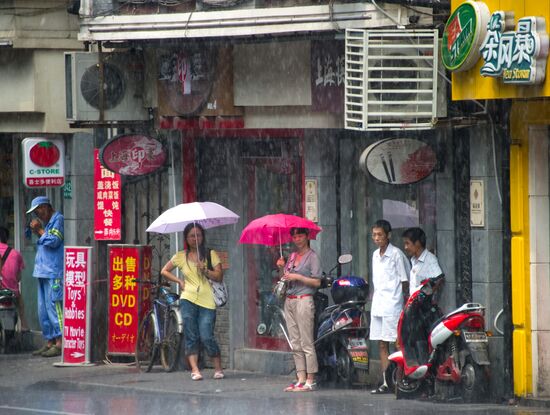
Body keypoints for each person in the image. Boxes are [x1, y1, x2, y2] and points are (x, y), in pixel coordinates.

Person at [161, 223, 224, 381]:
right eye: (192, 236)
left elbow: (219, 276)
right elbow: (164, 271)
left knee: (206, 335)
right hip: (188, 299)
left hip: (208, 300)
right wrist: (179, 282)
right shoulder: (180, 256)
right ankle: (195, 369)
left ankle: (217, 367)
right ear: (186, 238)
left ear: (202, 237)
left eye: (198, 235)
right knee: (191, 334)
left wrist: (206, 270)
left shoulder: (210, 254)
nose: (195, 238)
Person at [276, 227, 322, 392]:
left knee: (306, 342)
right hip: (290, 300)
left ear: (307, 237)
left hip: (304, 300)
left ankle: (311, 378)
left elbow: (317, 282)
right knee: (295, 342)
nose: (297, 239)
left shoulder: (312, 257)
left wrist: (299, 277)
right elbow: (285, 278)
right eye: (294, 236)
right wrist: (282, 268)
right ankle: (300, 377)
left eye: (300, 236)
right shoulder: (292, 256)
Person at [370, 219, 410, 394]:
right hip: (378, 304)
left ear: (388, 235)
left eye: (380, 235)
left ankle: (400, 379)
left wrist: (402, 302)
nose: (376, 238)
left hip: (393, 305)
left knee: (396, 343)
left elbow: (405, 281)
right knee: (381, 343)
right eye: (374, 235)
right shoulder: (374, 255)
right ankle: (387, 382)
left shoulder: (397, 255)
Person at [27, 196, 64, 357]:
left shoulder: (58, 219)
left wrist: (40, 231)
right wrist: (38, 231)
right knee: (43, 310)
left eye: (38, 211)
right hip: (42, 270)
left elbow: (54, 241)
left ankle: (61, 342)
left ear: (45, 207)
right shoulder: (48, 223)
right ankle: (49, 341)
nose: (37, 215)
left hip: (53, 271)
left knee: (54, 306)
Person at [0, 226, 29, 332]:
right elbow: (18, 277)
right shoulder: (16, 254)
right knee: (20, 304)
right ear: (6, 239)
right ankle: (24, 326)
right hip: (12, 293)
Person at [402, 227, 444, 295]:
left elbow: (439, 278)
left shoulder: (430, 259)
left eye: (407, 243)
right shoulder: (413, 260)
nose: (405, 247)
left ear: (417, 243)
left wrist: (424, 295)